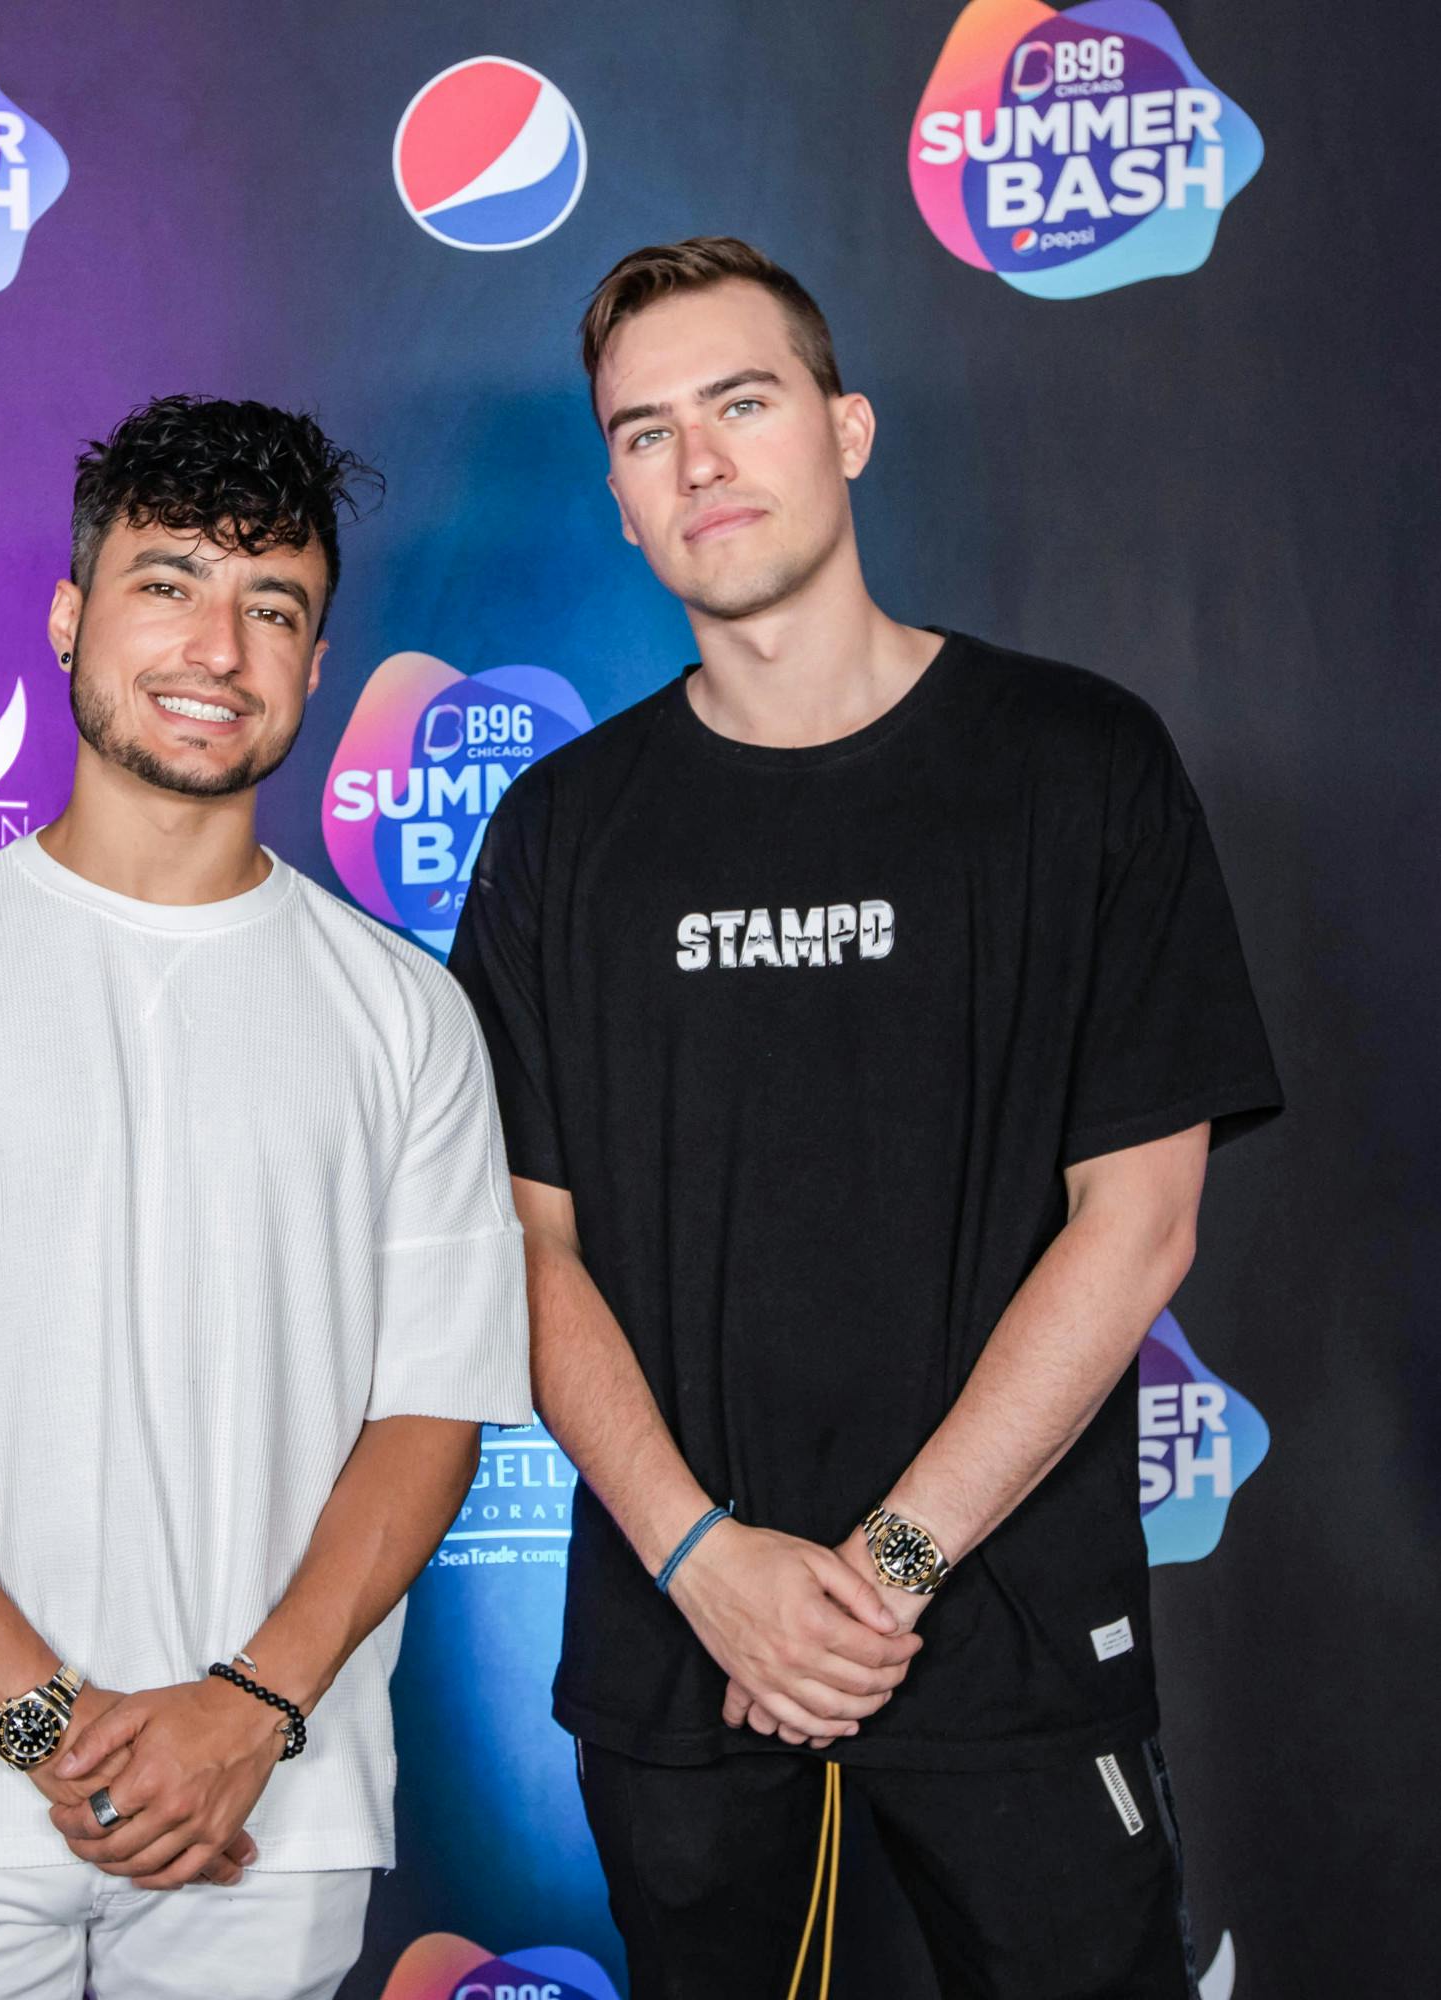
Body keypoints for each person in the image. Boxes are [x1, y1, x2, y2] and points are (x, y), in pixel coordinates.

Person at [449, 237, 1283, 1999]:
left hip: (1010, 1642)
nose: (698, 460)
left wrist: (885, 1568)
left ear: (845, 429)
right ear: (615, 502)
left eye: (741, 403)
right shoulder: (556, 835)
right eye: (645, 432)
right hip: (685, 1662)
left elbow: (1138, 1222)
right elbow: (517, 1247)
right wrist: (701, 1560)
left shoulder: (1077, 763)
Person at [0, 394, 532, 2000]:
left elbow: (432, 1410)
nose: (217, 649)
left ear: (315, 663)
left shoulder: (405, 1013)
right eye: (168, 583)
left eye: (271, 607)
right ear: (71, 616)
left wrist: (249, 1711)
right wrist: (46, 1725)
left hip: (267, 1812)